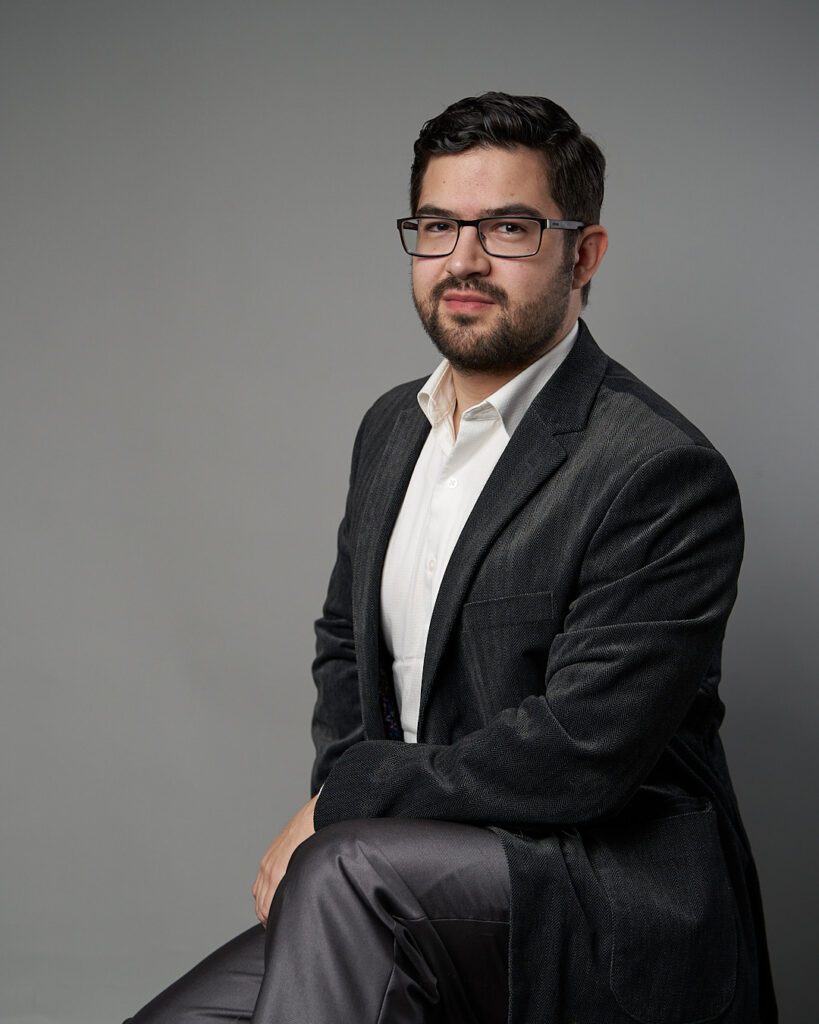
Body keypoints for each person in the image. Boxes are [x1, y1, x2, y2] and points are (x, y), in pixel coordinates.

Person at [125, 92, 777, 1024]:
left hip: (590, 890)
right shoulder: (392, 426)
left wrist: (346, 804)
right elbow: (343, 648)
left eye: (507, 227)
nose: (462, 260)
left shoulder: (656, 469)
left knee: (346, 869)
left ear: (582, 253)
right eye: (437, 226)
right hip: (405, 876)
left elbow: (578, 756)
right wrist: (355, 799)